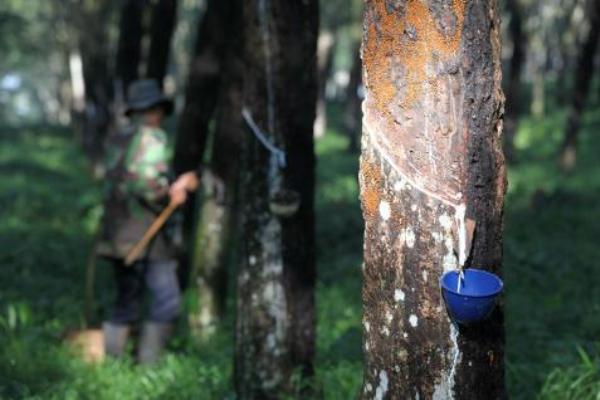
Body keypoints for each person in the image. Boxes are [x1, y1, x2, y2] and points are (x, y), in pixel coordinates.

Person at [97, 79, 200, 363]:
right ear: (152, 110)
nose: (160, 116)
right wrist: (175, 191)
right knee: (168, 301)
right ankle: (148, 368)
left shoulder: (117, 138)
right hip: (145, 232)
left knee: (126, 300)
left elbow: (114, 182)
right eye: (158, 110)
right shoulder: (152, 138)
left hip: (115, 233)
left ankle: (114, 367)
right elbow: (147, 185)